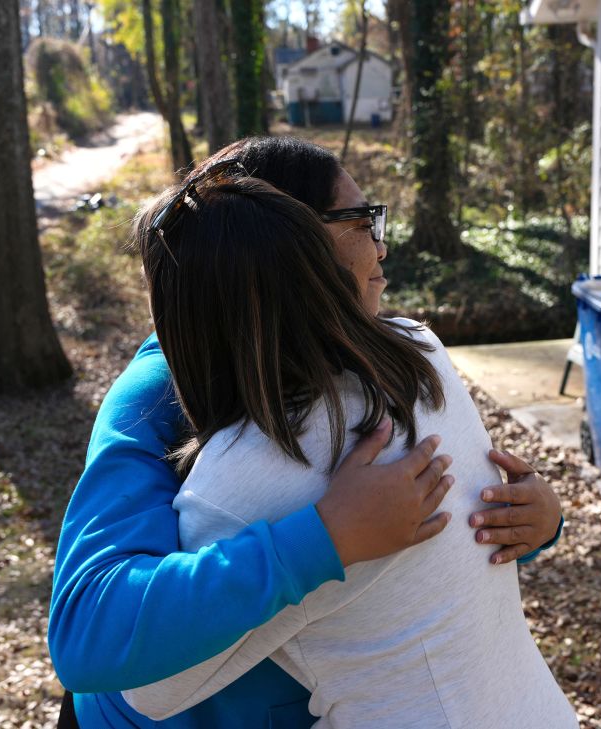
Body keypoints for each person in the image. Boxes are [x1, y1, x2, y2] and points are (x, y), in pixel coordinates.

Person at [48, 137, 565, 728]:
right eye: (361, 221)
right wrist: (323, 540)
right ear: (279, 246)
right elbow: (91, 632)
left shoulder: (386, 359)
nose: (383, 244)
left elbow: (419, 568)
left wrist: (532, 522)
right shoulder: (153, 397)